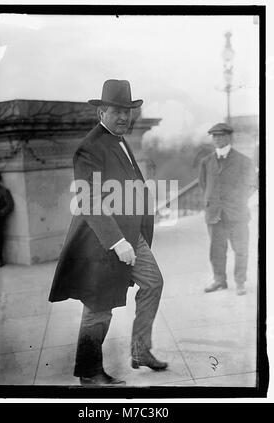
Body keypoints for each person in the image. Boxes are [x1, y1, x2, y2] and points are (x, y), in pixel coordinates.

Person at [48, 79, 167, 386]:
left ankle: (141, 350)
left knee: (153, 283)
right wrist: (116, 241)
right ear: (101, 111)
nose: (125, 117)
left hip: (131, 236)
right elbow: (89, 200)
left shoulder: (118, 138)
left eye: (129, 111)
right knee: (99, 309)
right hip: (102, 242)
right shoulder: (89, 147)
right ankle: (89, 373)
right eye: (118, 111)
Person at [198, 123, 257, 296]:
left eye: (221, 136)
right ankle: (219, 280)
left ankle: (240, 281)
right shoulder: (206, 162)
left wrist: (238, 200)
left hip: (237, 214)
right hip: (214, 214)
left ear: (229, 137)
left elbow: (252, 185)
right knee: (216, 249)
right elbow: (203, 185)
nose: (217, 139)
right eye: (214, 136)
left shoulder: (243, 161)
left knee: (241, 249)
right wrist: (212, 202)